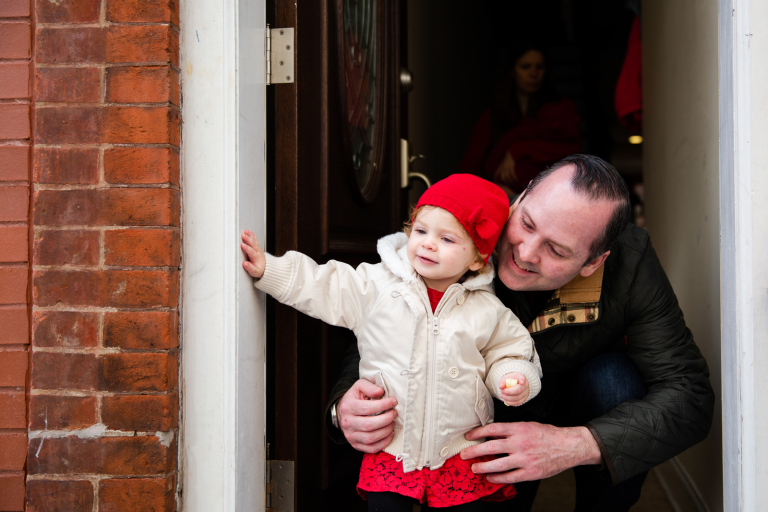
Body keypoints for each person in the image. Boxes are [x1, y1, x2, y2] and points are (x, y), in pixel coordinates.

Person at [328, 154, 715, 511]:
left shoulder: (630, 261)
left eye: (557, 251)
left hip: (577, 403)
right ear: (525, 191)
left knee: (615, 381)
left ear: (594, 261)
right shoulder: (468, 218)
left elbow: (689, 395)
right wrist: (344, 404)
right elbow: (384, 315)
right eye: (526, 223)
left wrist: (576, 444)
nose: (525, 252)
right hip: (480, 415)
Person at [242, 175, 545, 510]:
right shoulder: (376, 285)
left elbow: (509, 350)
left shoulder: (488, 309)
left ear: (477, 259)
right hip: (392, 446)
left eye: (446, 238)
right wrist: (270, 269)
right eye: (420, 231)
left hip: (460, 450)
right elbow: (324, 285)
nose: (428, 244)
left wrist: (512, 377)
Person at [459, 43, 581, 195]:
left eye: (540, 67)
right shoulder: (492, 116)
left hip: (551, 195)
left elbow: (571, 149)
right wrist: (492, 189)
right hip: (501, 196)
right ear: (512, 71)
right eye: (525, 67)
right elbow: (469, 168)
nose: (533, 73)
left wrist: (518, 150)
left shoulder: (560, 109)